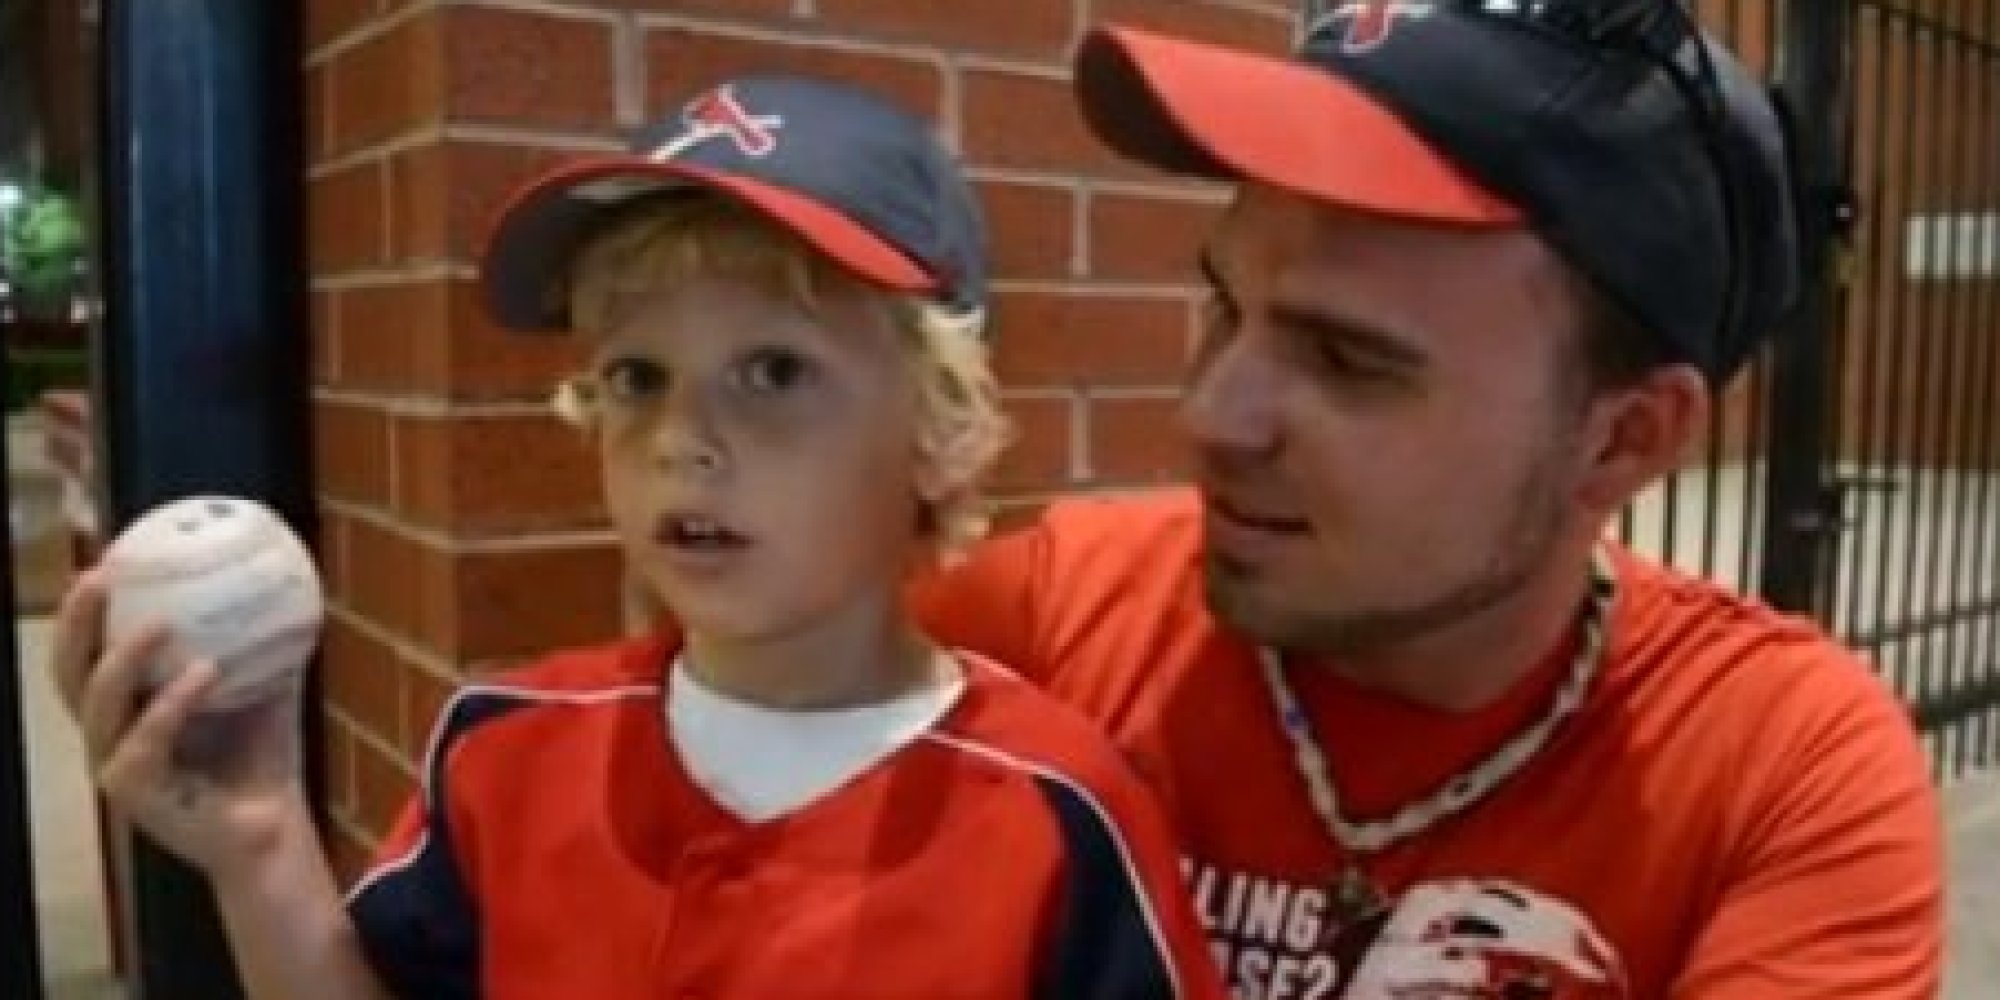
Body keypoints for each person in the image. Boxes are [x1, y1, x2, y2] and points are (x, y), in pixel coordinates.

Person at [50, 75, 1225, 1000]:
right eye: (635, 376)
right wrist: (261, 850)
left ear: (940, 426)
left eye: (772, 369)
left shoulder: (1058, 809)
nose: (681, 438)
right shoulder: (503, 747)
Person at [903, 4, 1943, 998]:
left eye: (1347, 359)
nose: (1210, 414)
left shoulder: (1773, 773)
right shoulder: (1046, 619)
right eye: (1227, 305)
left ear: (1621, 441)